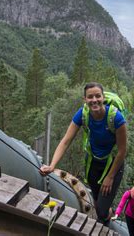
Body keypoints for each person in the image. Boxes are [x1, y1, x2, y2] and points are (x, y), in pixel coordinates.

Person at [39, 82, 127, 225]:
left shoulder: (116, 118)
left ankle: (108, 214)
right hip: (93, 163)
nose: (94, 100)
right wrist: (52, 166)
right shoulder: (83, 114)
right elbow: (66, 141)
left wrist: (110, 177)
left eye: (98, 96)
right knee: (97, 201)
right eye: (90, 97)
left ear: (103, 97)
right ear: (85, 100)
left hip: (113, 166)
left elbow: (122, 151)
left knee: (102, 211)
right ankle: (104, 212)